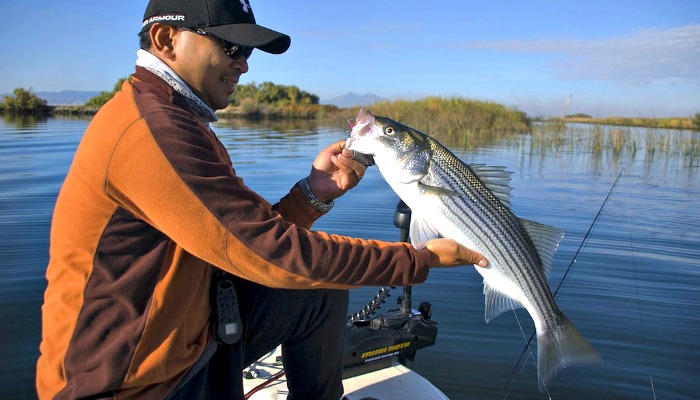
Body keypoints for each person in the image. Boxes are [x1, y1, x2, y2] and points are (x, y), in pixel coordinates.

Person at [36, 0, 488, 399]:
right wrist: (420, 259)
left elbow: (235, 241)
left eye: (247, 52)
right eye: (230, 48)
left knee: (318, 291)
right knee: (307, 270)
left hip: (185, 341)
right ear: (165, 38)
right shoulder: (151, 131)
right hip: (127, 384)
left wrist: (311, 196)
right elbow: (265, 253)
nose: (244, 65)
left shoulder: (176, 120)